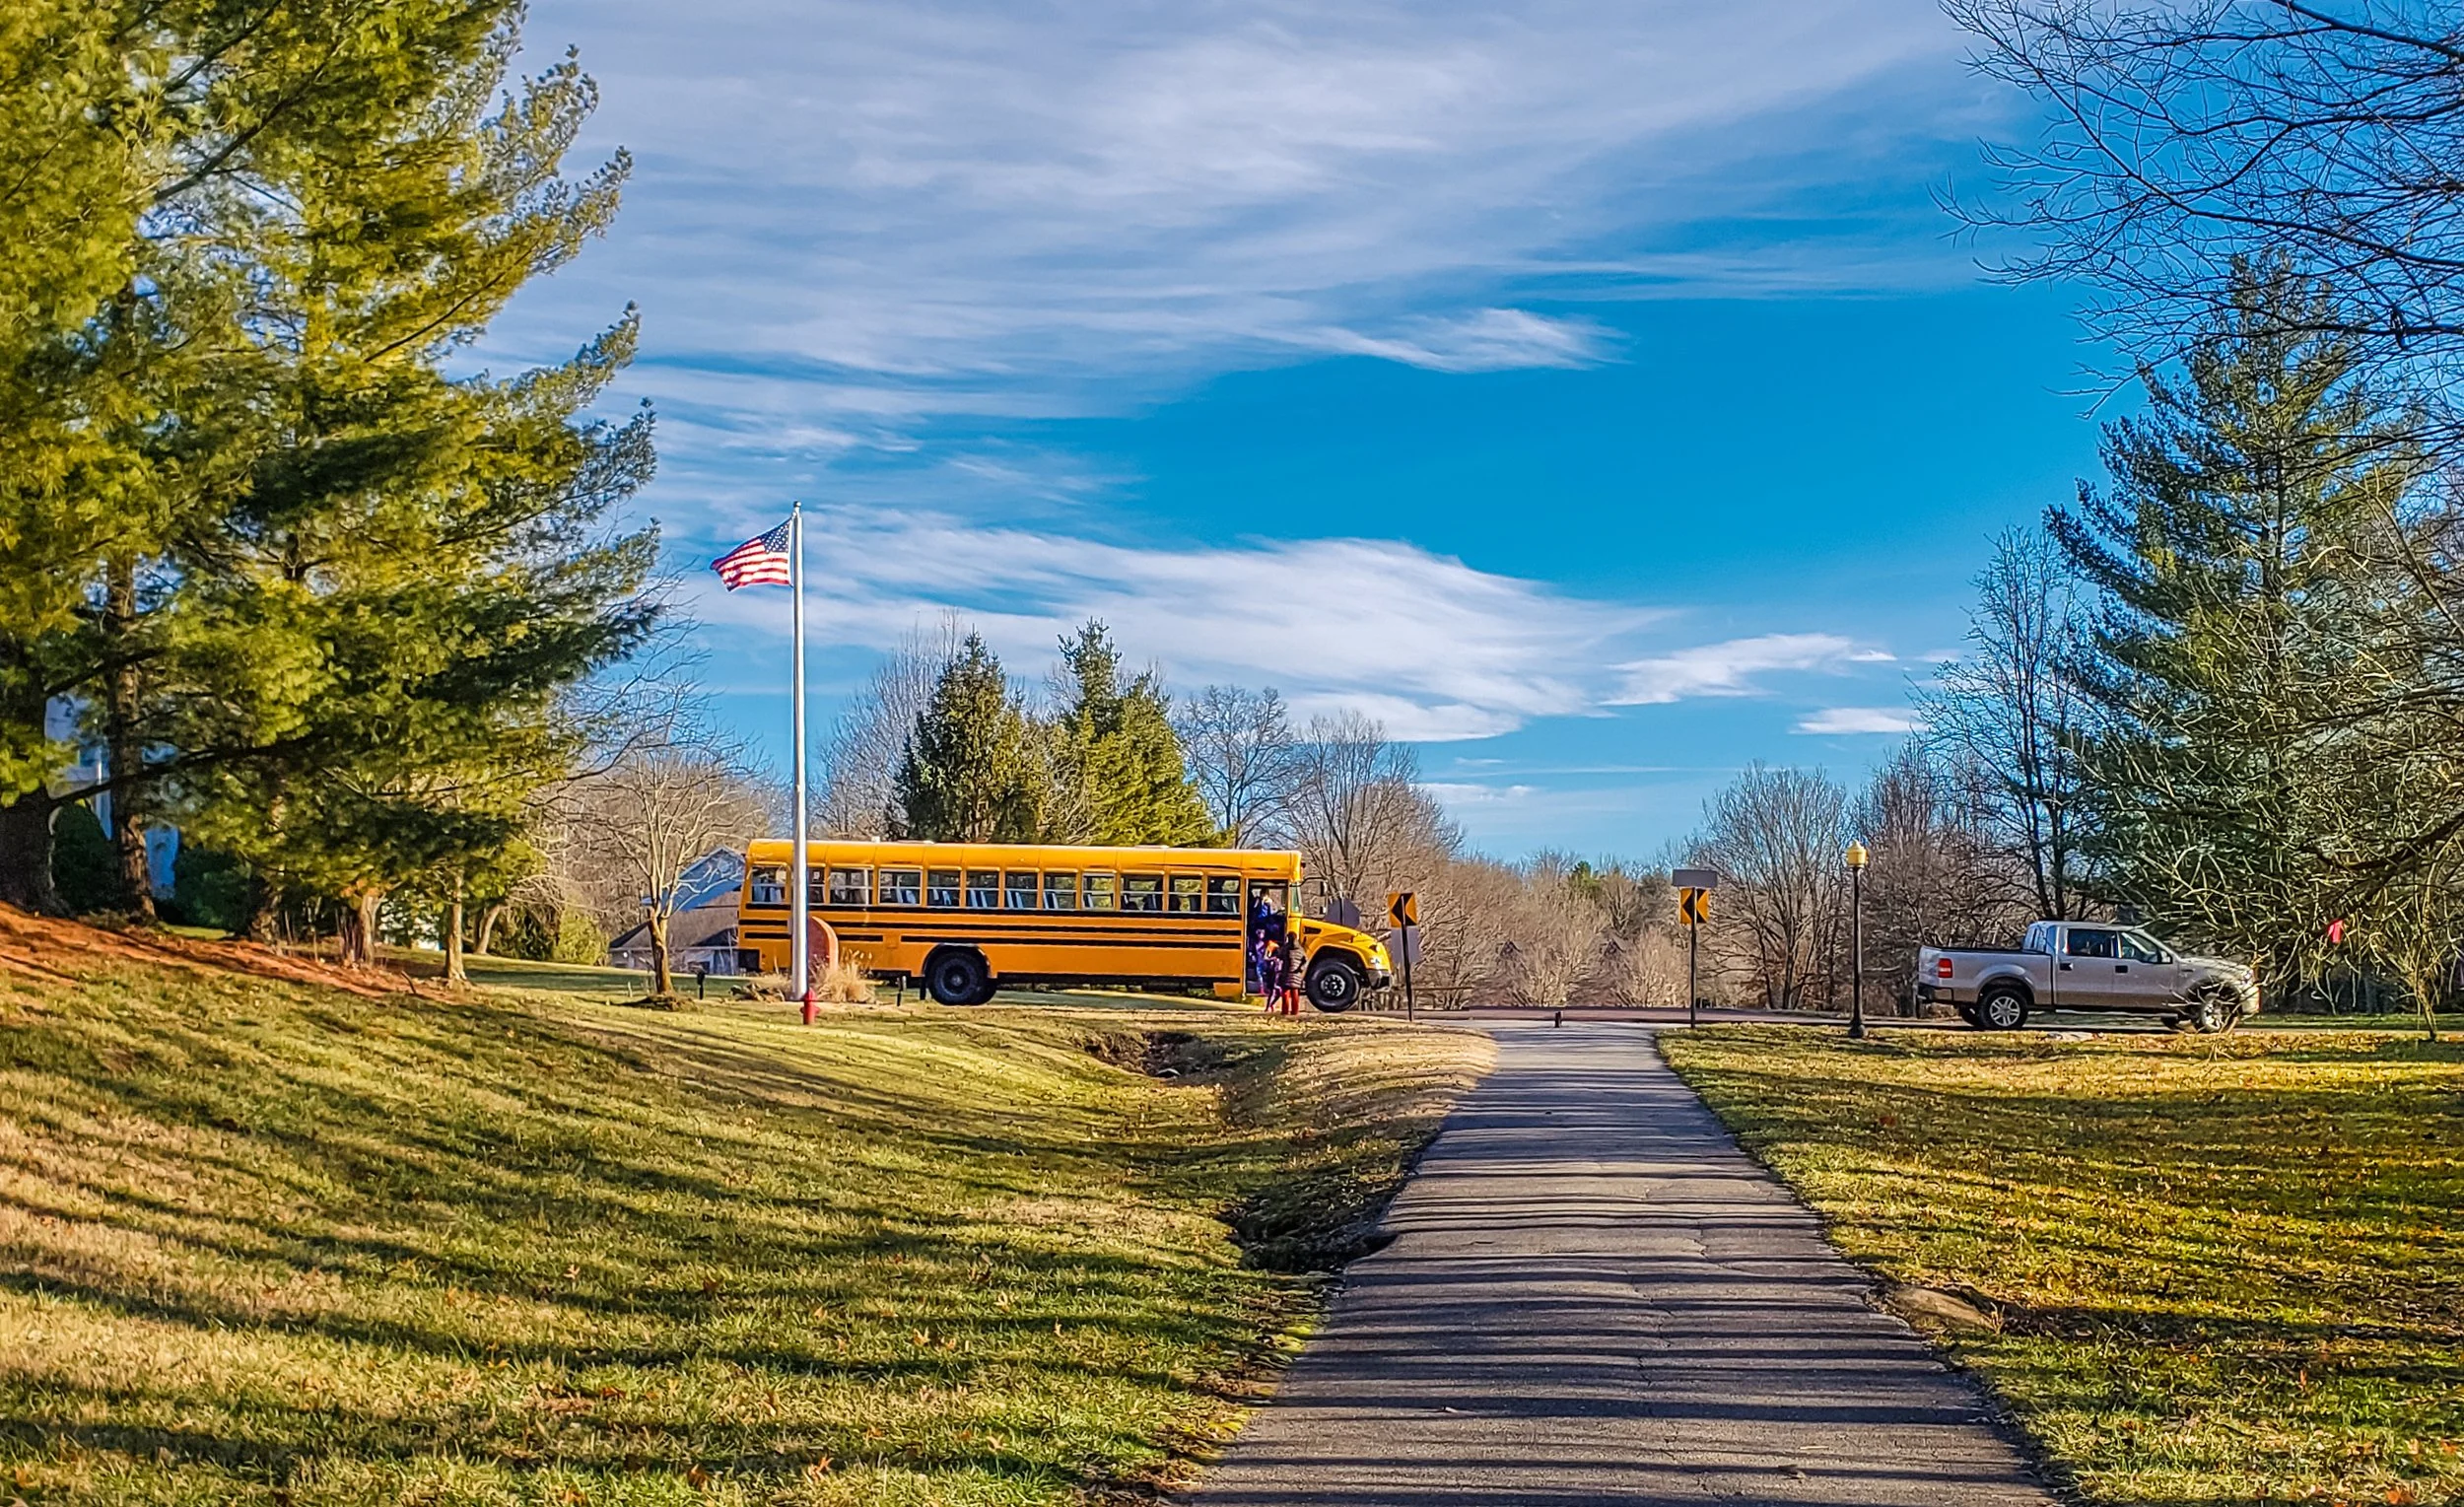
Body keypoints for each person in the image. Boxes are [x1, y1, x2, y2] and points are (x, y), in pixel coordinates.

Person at [1276, 928, 1305, 1016]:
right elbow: (1305, 960)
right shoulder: (1300, 949)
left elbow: (1280, 956)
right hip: (1296, 974)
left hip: (1287, 973)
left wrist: (1277, 949)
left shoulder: (1286, 948)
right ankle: (1295, 1011)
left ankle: (1285, 1011)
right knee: (1295, 992)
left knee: (1285, 993)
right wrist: (1300, 969)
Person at [1257, 935, 1286, 1012]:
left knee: (1276, 991)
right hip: (1276, 974)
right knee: (1275, 991)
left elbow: (1265, 957)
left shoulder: (1276, 957)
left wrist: (1268, 950)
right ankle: (1269, 1006)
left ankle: (1270, 1005)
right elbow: (1266, 958)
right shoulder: (1277, 958)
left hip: (1277, 974)